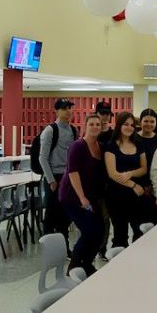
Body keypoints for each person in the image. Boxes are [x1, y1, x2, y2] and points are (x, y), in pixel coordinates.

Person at [61, 114, 107, 277]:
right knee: (89, 231)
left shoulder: (101, 146)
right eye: (92, 124)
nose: (95, 127)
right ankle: (73, 266)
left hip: (91, 196)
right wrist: (82, 197)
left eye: (98, 124)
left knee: (100, 231)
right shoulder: (77, 146)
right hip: (73, 196)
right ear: (85, 127)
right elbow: (73, 172)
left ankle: (87, 263)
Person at [103, 112, 148, 247]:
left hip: (136, 196)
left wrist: (130, 173)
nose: (129, 127)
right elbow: (112, 174)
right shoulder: (111, 145)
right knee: (120, 234)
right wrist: (133, 184)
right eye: (125, 124)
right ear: (119, 125)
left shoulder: (138, 144)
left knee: (139, 231)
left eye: (132, 125)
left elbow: (144, 168)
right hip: (117, 195)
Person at [37, 99, 78, 237]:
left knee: (65, 216)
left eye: (70, 108)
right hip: (54, 177)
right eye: (64, 108)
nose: (68, 111)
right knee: (52, 214)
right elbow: (42, 158)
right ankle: (48, 247)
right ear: (57, 111)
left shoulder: (73, 130)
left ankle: (64, 247)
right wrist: (51, 181)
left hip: (68, 177)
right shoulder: (50, 131)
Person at [136, 109, 157, 224]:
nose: (149, 124)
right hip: (137, 186)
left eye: (152, 121)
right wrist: (142, 184)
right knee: (139, 225)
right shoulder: (133, 138)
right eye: (146, 121)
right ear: (140, 122)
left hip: (155, 188)